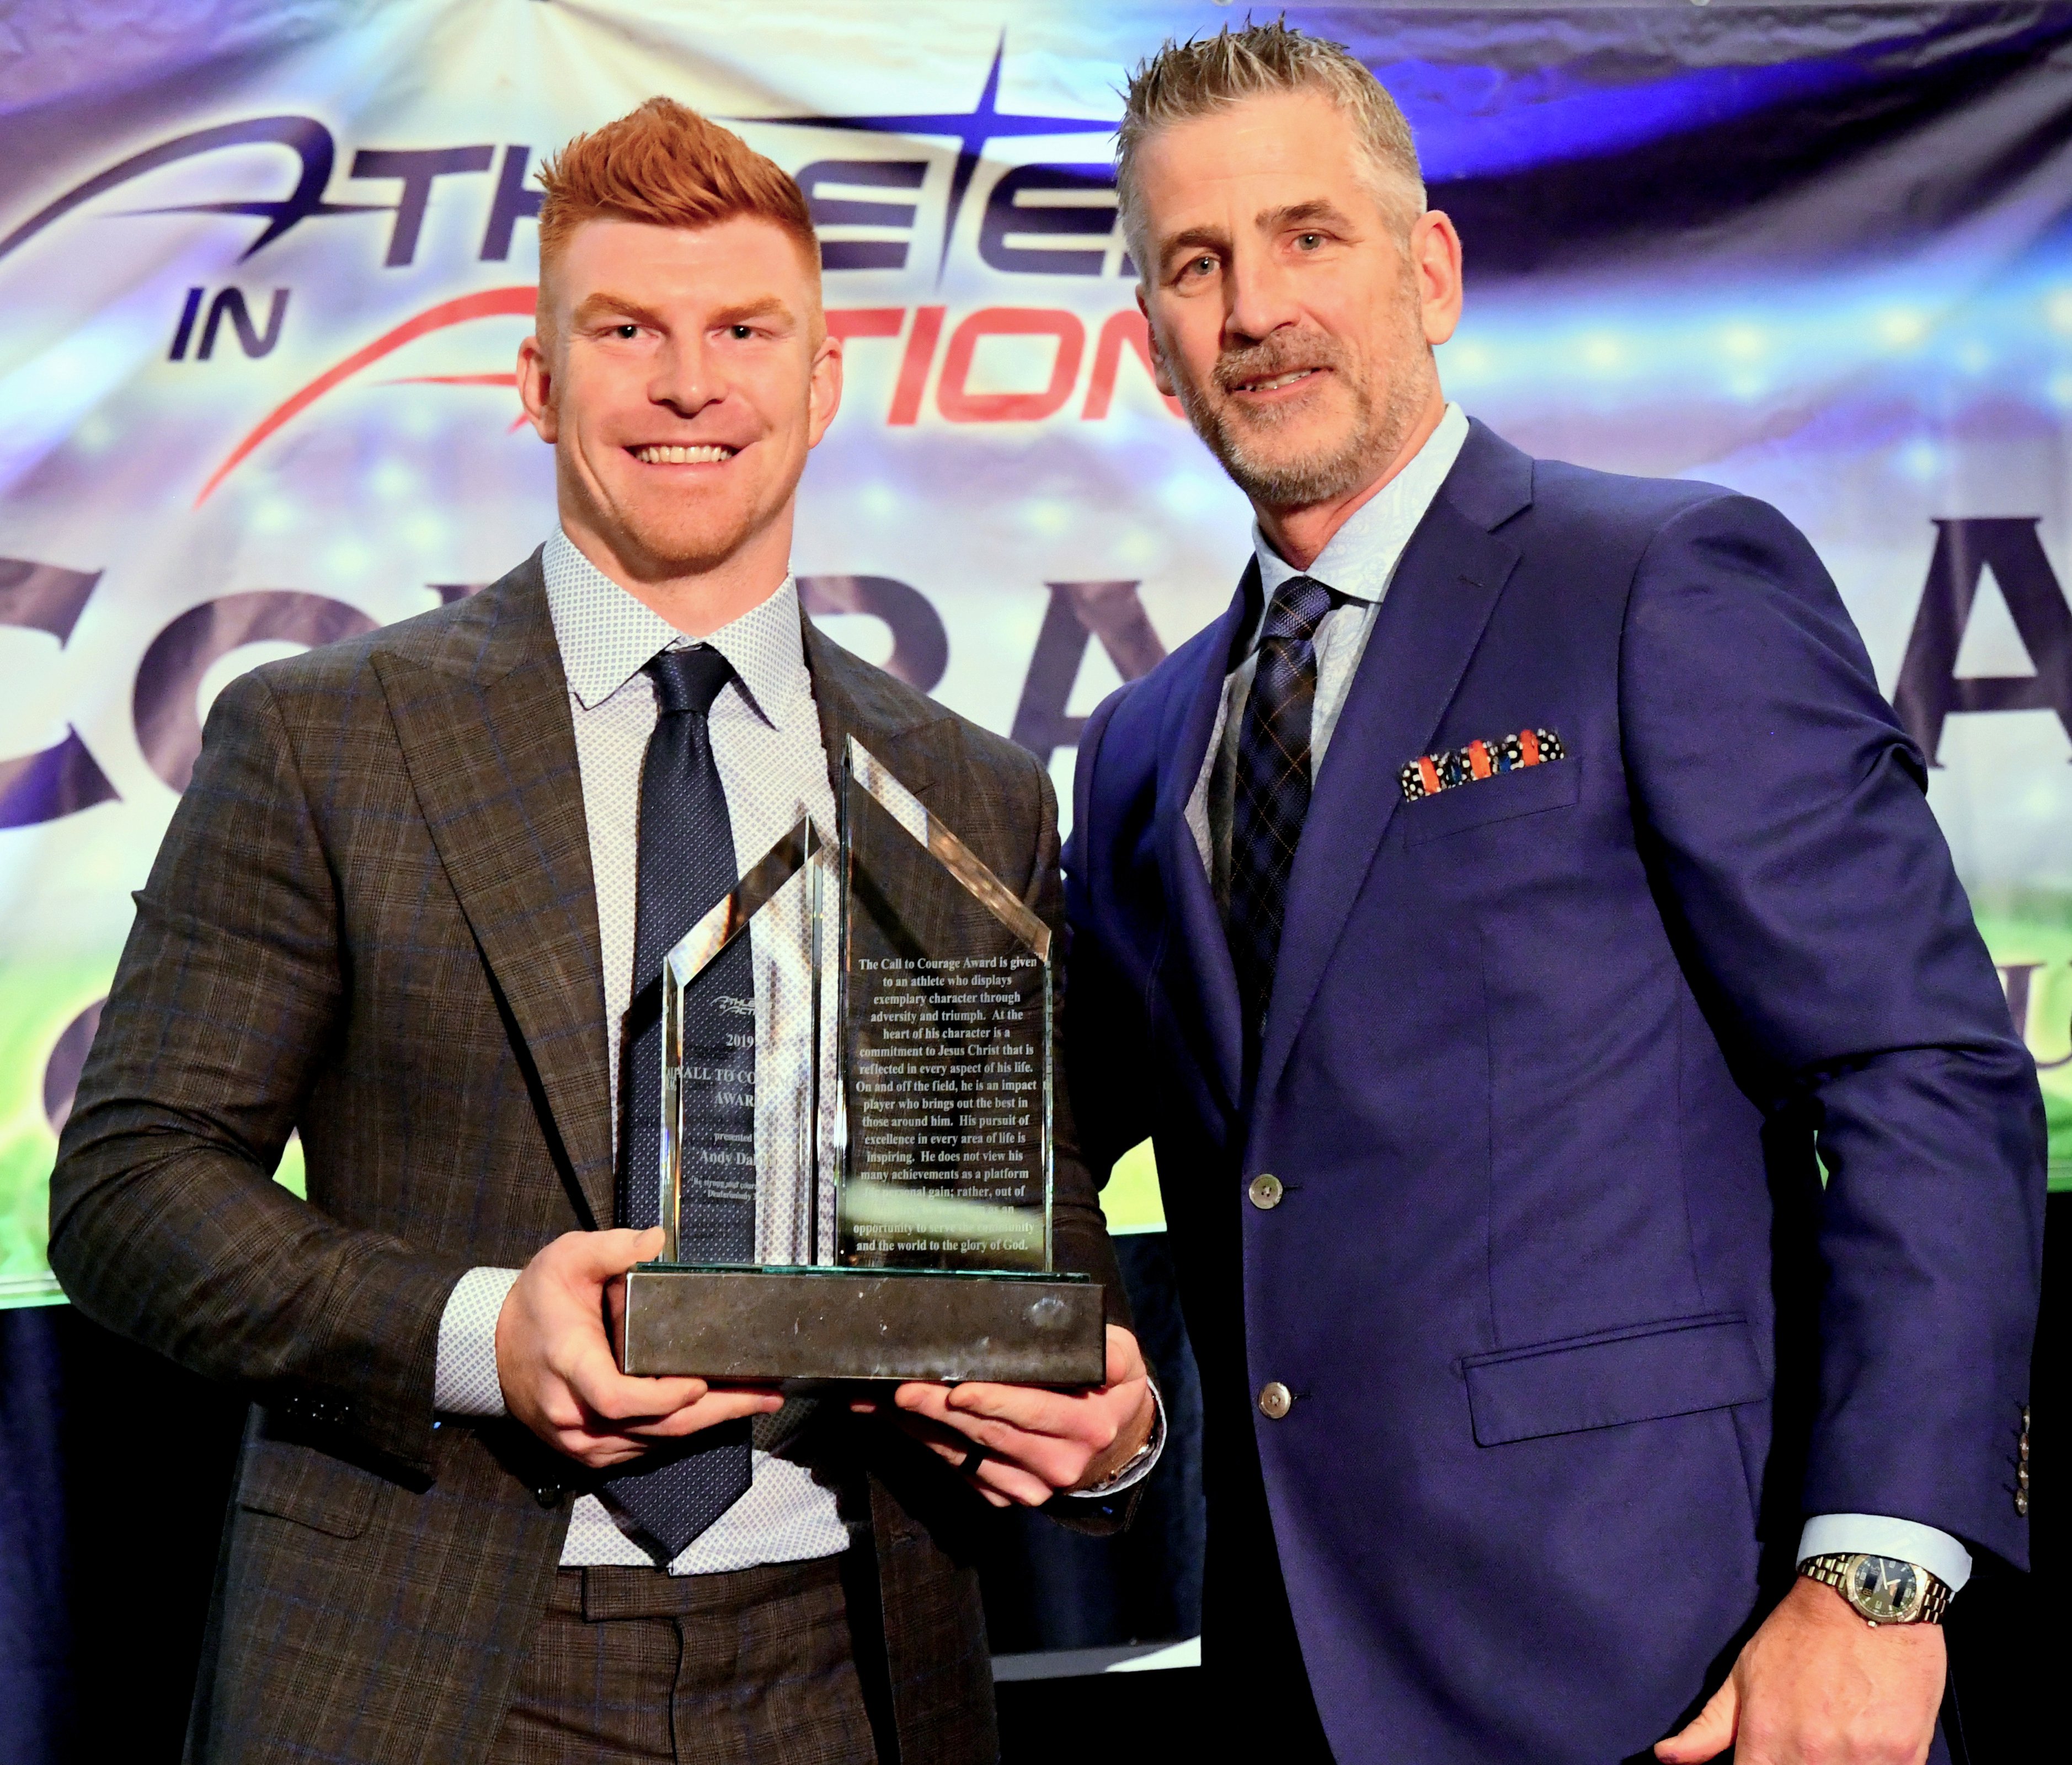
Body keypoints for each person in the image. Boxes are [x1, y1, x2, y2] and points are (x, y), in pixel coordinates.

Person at [50, 98, 1158, 1765]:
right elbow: (133, 1189)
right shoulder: (326, 736)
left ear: (821, 380)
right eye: (626, 330)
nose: (690, 382)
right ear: (538, 381)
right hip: (429, 1655)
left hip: (856, 1658)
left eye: (742, 330)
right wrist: (478, 1332)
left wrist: (1108, 1421)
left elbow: (1008, 1235)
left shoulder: (968, 788)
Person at [1061, 23, 2043, 1765]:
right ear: (1151, 343)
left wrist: (1879, 1582)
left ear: (1426, 271)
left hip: (1677, 1676)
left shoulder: (1662, 581)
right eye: (1193, 265)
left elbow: (1920, 1080)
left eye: (1308, 237)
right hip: (1294, 1689)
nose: (1254, 307)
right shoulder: (1139, 747)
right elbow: (1035, 1140)